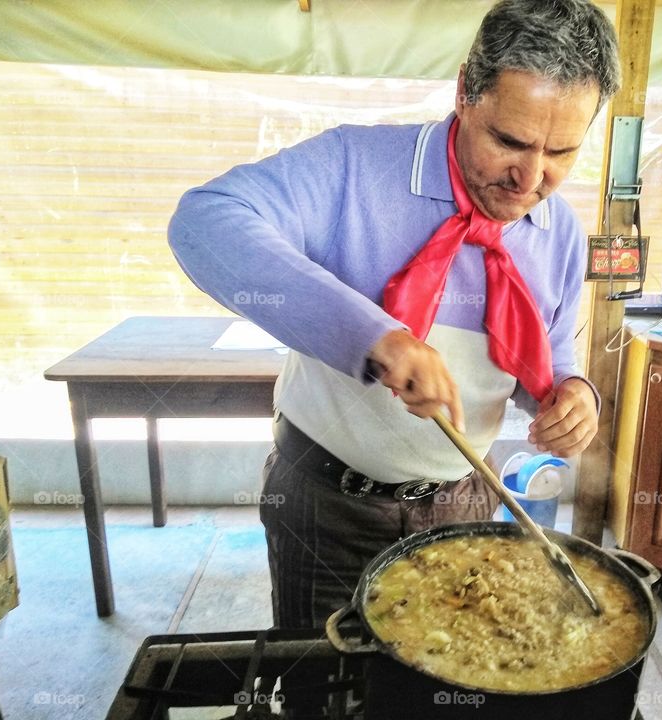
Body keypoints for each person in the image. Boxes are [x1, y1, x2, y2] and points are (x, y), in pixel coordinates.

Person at [168, 0, 621, 629]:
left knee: (439, 681)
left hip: (464, 505)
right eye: (509, 141)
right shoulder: (352, 167)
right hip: (328, 503)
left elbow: (548, 354)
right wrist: (376, 337)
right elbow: (205, 222)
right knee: (318, 684)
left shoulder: (560, 231)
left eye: (561, 153)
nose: (530, 179)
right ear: (466, 91)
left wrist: (572, 393)